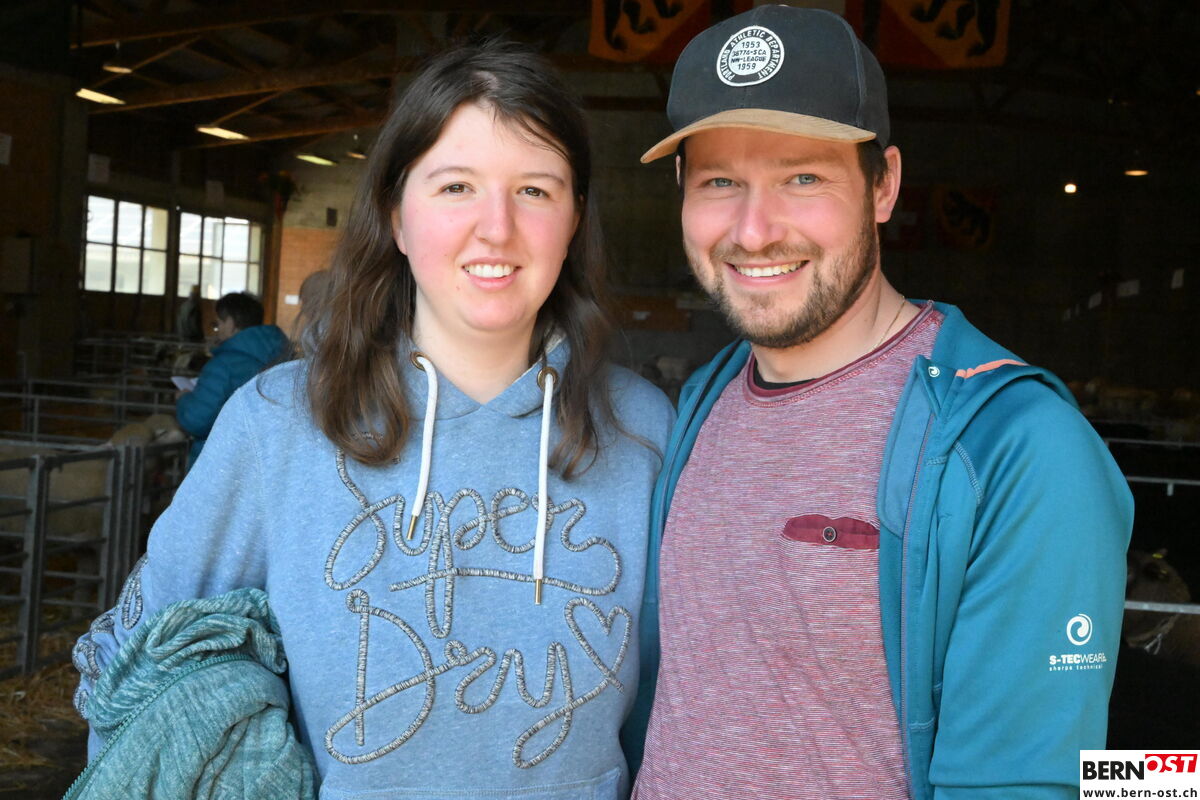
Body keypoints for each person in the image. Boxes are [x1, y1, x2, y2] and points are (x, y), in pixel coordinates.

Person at [73, 40, 673, 799]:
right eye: (456, 187)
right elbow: (139, 666)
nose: (496, 227)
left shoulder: (642, 429)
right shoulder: (278, 423)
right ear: (396, 215)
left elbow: (673, 703)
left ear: (575, 216)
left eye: (535, 190)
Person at [627, 7, 1132, 799]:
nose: (753, 231)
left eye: (803, 177)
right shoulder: (703, 400)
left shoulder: (1016, 447)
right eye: (720, 181)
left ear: (884, 185)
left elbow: (1024, 781)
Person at [175, 291, 288, 465]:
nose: (218, 329)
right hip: (266, 459)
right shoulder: (282, 358)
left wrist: (184, 399)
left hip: (221, 462)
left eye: (219, 322)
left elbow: (197, 419)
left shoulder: (224, 365)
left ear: (231, 323)